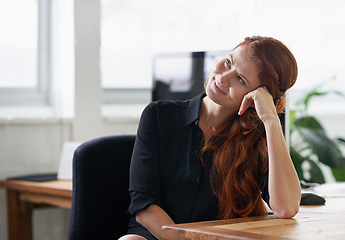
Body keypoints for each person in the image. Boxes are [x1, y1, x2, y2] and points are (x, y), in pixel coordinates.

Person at [119, 36, 301, 240]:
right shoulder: (159, 115)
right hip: (157, 233)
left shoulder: (257, 137)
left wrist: (271, 120)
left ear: (256, 95)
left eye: (240, 79)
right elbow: (144, 206)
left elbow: (286, 208)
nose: (222, 78)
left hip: (217, 237)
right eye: (228, 62)